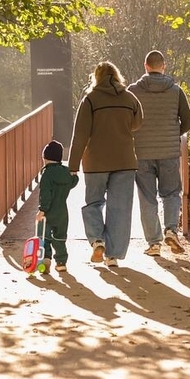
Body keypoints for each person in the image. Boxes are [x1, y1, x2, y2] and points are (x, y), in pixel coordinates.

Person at [68, 61, 144, 268]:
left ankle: (97, 240)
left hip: (96, 162)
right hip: (125, 161)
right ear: (117, 76)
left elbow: (80, 135)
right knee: (120, 208)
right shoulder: (130, 98)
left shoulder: (90, 100)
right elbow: (137, 124)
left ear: (96, 77)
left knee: (93, 203)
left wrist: (73, 165)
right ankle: (113, 256)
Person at [127, 50, 190, 257]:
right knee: (172, 193)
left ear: (145, 66)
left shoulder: (132, 91)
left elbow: (126, 120)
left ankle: (154, 243)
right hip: (169, 152)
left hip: (141, 152)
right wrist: (174, 133)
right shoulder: (176, 91)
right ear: (163, 66)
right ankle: (171, 230)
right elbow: (188, 122)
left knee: (147, 198)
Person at [35, 140, 78, 273]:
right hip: (62, 212)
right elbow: (73, 182)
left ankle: (46, 259)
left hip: (48, 213)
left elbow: (45, 194)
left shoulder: (46, 174)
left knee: (44, 236)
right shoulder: (66, 172)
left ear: (45, 158)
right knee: (60, 237)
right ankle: (61, 263)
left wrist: (42, 210)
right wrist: (74, 176)